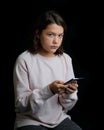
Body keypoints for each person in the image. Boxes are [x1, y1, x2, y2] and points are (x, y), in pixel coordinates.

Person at [13, 10, 83, 130]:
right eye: (50, 34)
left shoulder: (65, 59)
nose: (56, 41)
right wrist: (49, 90)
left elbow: (68, 106)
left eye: (60, 35)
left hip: (59, 120)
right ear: (38, 34)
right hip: (30, 121)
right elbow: (20, 105)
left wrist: (70, 93)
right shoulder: (24, 60)